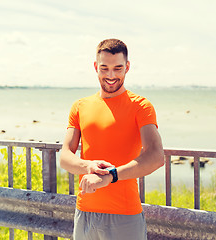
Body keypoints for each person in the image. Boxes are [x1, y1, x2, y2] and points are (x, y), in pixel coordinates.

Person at [60, 38, 164, 240]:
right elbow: (64, 156)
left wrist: (110, 176)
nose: (111, 75)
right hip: (85, 213)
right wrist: (88, 166)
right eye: (104, 68)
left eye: (118, 68)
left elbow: (156, 156)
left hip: (124, 216)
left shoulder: (141, 106)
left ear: (127, 67)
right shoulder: (80, 106)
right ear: (95, 67)